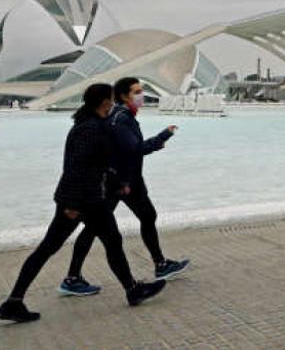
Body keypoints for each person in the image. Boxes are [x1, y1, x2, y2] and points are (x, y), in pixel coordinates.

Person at [0, 83, 166, 323]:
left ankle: (14, 301)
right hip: (82, 200)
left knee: (89, 243)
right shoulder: (90, 129)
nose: (114, 104)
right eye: (111, 100)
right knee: (79, 244)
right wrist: (72, 204)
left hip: (81, 198)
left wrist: (118, 184)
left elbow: (98, 165)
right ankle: (132, 289)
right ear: (105, 102)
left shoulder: (89, 125)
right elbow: (77, 168)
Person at [60, 77, 189, 296]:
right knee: (96, 229)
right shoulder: (120, 118)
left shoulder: (121, 115)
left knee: (146, 216)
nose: (142, 95)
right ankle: (73, 278)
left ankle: (160, 264)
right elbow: (133, 149)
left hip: (126, 180)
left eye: (142, 90)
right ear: (122, 96)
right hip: (119, 182)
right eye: (137, 91)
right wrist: (161, 138)